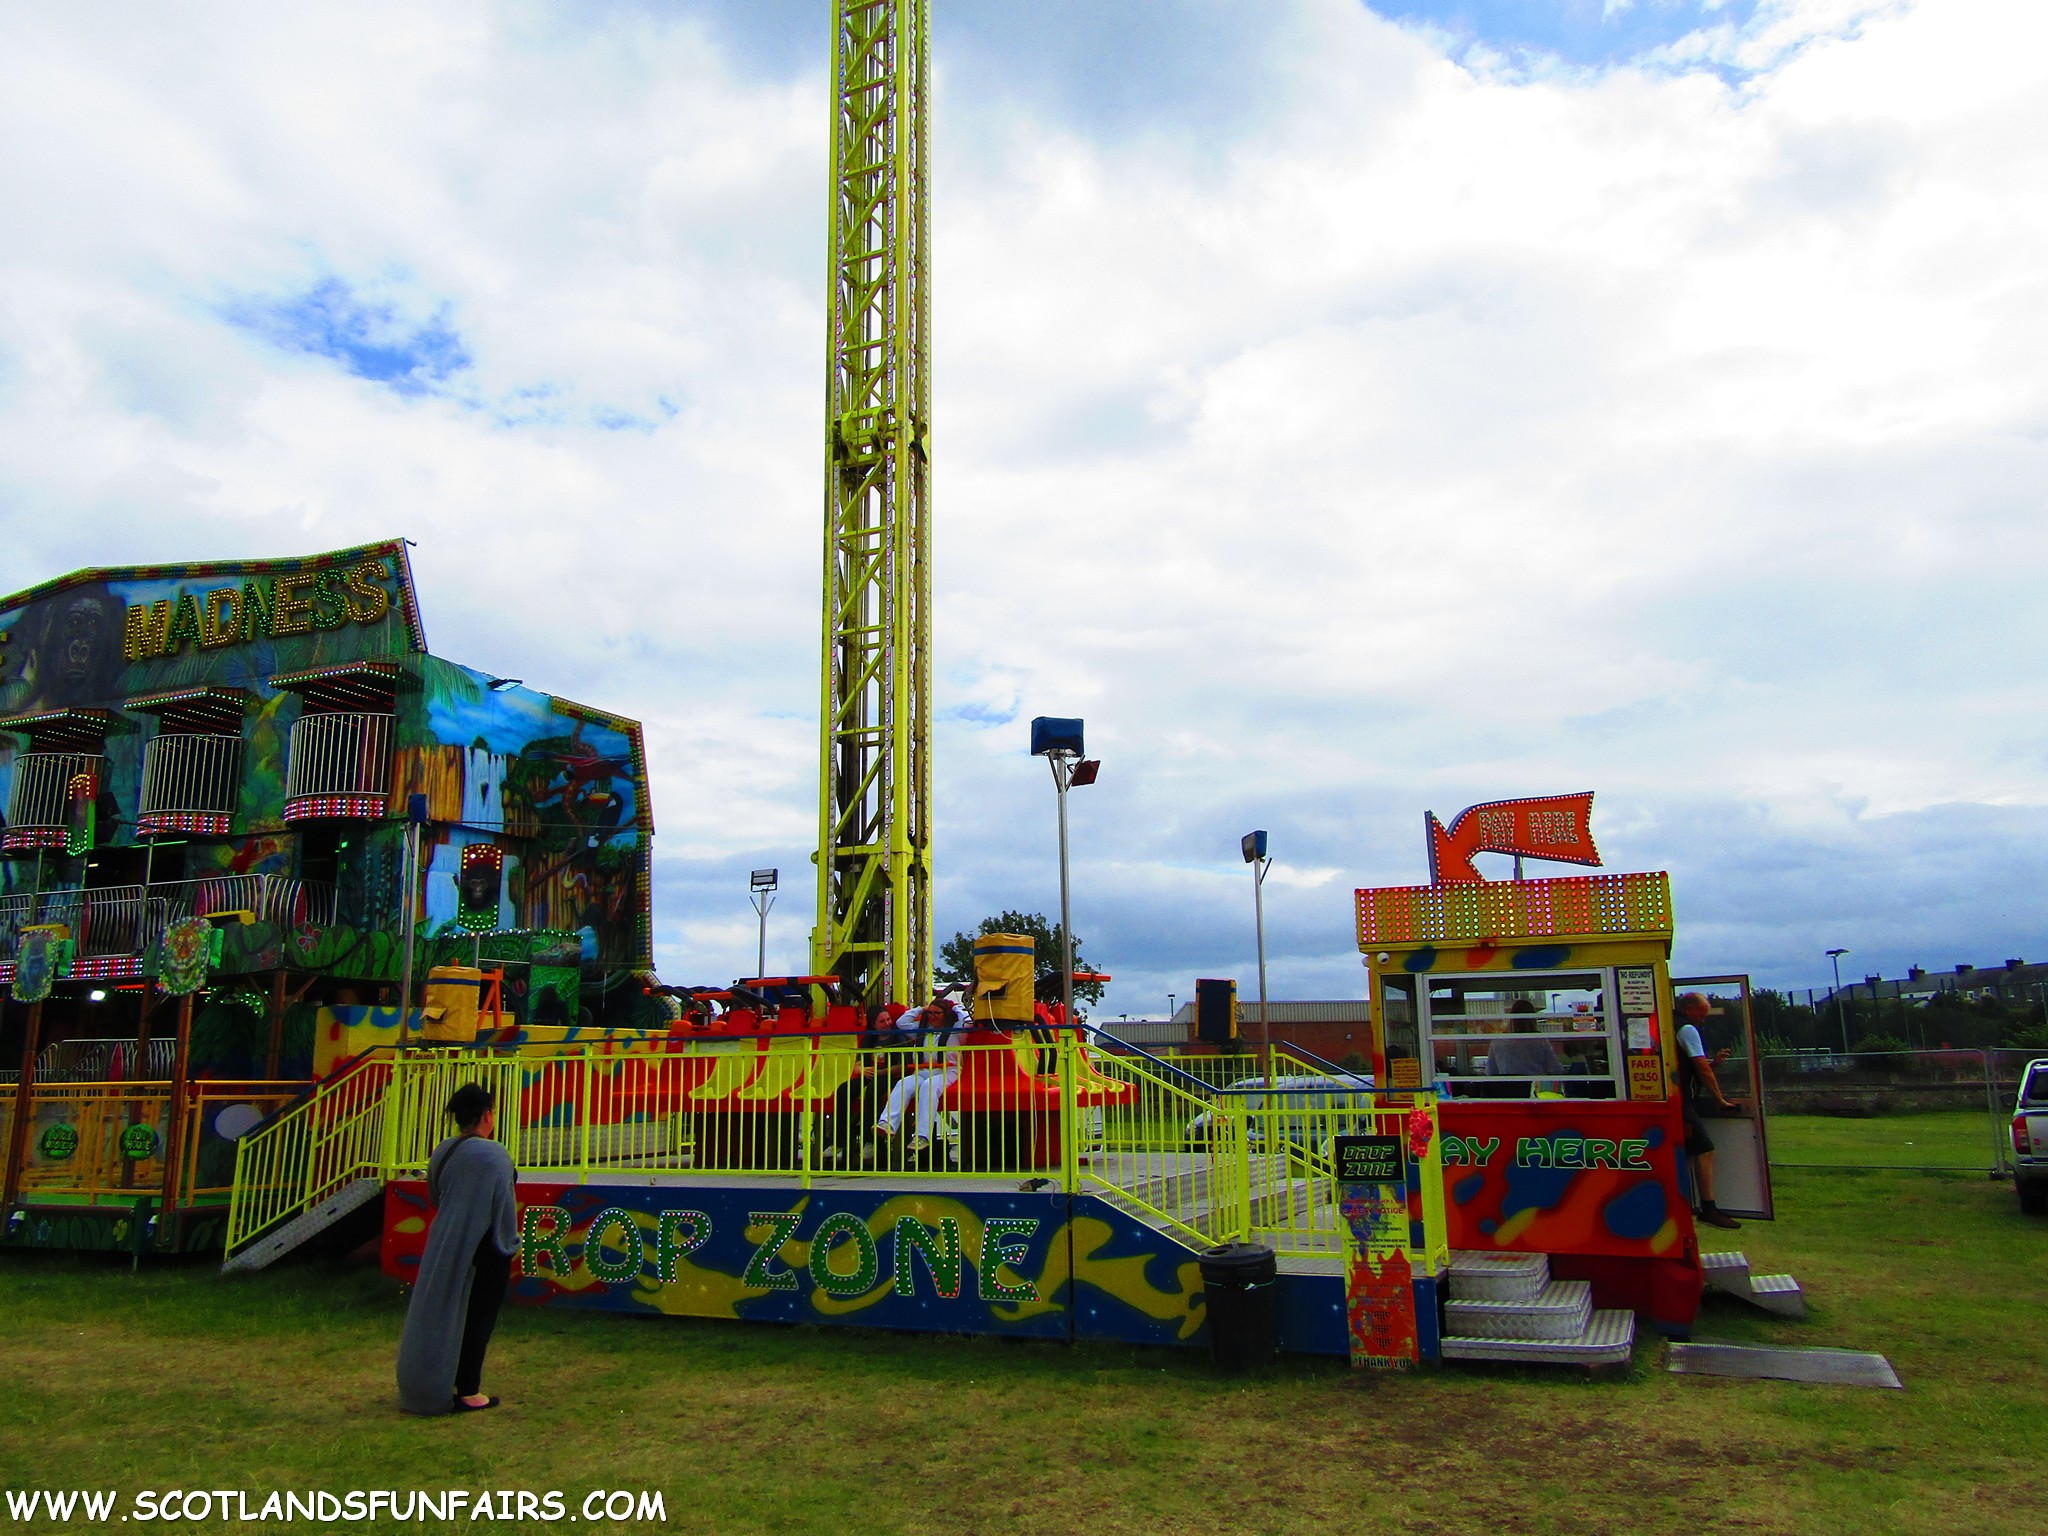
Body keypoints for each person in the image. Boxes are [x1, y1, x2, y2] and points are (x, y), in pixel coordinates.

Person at [396, 1083, 519, 1414]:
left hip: (446, 1241)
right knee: (479, 1317)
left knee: (441, 1311)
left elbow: (436, 1196)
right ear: (487, 1115)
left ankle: (429, 1380)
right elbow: (504, 1203)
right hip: (487, 1247)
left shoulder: (443, 1151)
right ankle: (468, 1389)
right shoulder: (495, 1154)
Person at [1674, 993, 1743, 1230]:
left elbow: (1687, 1067)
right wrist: (1721, 1099)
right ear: (1690, 1009)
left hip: (1678, 1098)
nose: (1704, 1018)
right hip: (1681, 1101)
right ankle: (1708, 1208)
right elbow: (1701, 1068)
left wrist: (1713, 1063)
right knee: (1705, 1149)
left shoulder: (1671, 1024)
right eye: (1702, 1012)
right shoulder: (1687, 1030)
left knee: (1689, 1155)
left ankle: (1683, 1204)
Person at [875, 999, 964, 1152]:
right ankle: (887, 1123)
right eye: (931, 1013)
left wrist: (956, 1008)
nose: (932, 1016)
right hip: (923, 1070)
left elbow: (967, 1021)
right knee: (904, 1084)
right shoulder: (921, 1029)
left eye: (937, 1013)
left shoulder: (955, 1029)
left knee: (929, 1087)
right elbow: (902, 1022)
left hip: (947, 1071)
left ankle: (922, 1135)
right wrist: (921, 1009)